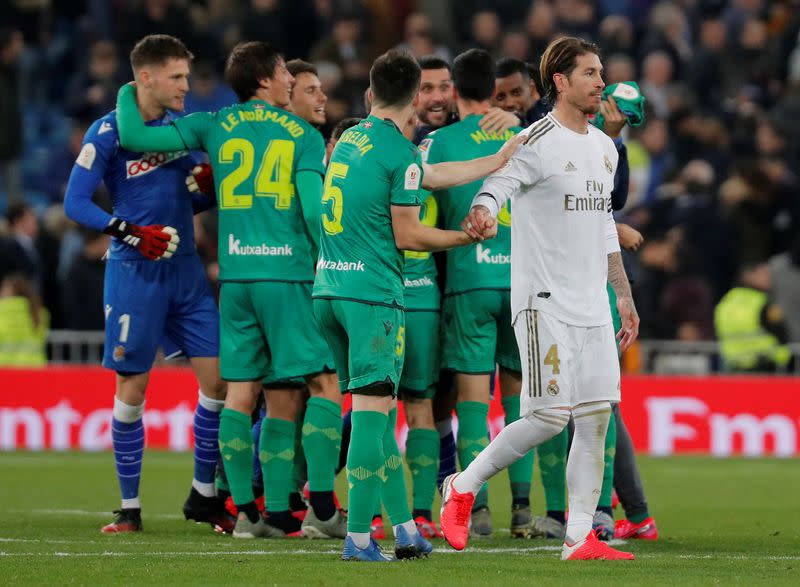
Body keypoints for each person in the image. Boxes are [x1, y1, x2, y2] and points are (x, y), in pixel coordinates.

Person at [115, 41, 345, 540]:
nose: (290, 78)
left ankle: (248, 514)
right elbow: (311, 209)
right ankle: (324, 509)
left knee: (244, 394)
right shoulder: (302, 135)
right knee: (326, 384)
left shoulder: (212, 123)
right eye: (285, 70)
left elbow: (132, 133)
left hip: (236, 278)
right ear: (265, 79)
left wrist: (127, 89)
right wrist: (333, 255)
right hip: (288, 278)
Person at [312, 49, 525, 562]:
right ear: (413, 99)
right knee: (371, 417)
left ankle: (405, 527)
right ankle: (360, 537)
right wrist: (464, 237)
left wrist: (495, 161)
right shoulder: (400, 153)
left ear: (372, 93)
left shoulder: (354, 139)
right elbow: (408, 233)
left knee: (380, 416)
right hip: (372, 300)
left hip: (329, 292)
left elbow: (426, 175)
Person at [440, 36, 639, 561]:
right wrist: (482, 211)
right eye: (592, 73)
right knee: (549, 417)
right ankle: (461, 487)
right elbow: (497, 186)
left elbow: (604, 229)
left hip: (593, 305)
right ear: (560, 82)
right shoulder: (535, 139)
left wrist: (622, 296)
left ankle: (579, 537)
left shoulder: (603, 149)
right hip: (543, 301)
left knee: (596, 417)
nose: (602, 82)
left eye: (601, 72)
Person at [63, 34, 230, 534]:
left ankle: (202, 495)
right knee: (133, 386)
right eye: (177, 77)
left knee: (219, 381)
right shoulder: (109, 131)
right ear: (147, 78)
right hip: (135, 274)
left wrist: (207, 191)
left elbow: (185, 201)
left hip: (186, 274)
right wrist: (130, 232)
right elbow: (76, 203)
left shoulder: (177, 132)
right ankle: (129, 508)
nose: (186, 86)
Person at [420, 48, 533, 539]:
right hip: (523, 284)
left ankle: (476, 508)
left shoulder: (437, 144)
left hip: (469, 281)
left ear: (455, 90)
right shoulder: (523, 135)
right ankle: (526, 509)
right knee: (522, 402)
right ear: (493, 89)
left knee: (471, 401)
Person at [0, 273, 49, 366]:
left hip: (5, 368)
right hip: (34, 367)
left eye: (3, 289)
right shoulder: (39, 314)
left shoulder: (2, 312)